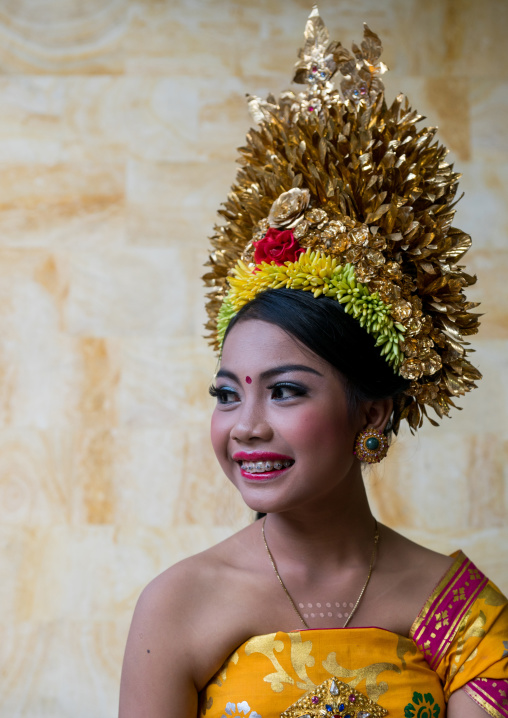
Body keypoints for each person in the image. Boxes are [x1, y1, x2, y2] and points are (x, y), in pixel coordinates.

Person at [119, 9, 508, 718]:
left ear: (373, 409)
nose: (246, 427)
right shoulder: (177, 606)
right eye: (228, 394)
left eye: (286, 391)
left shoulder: (465, 619)